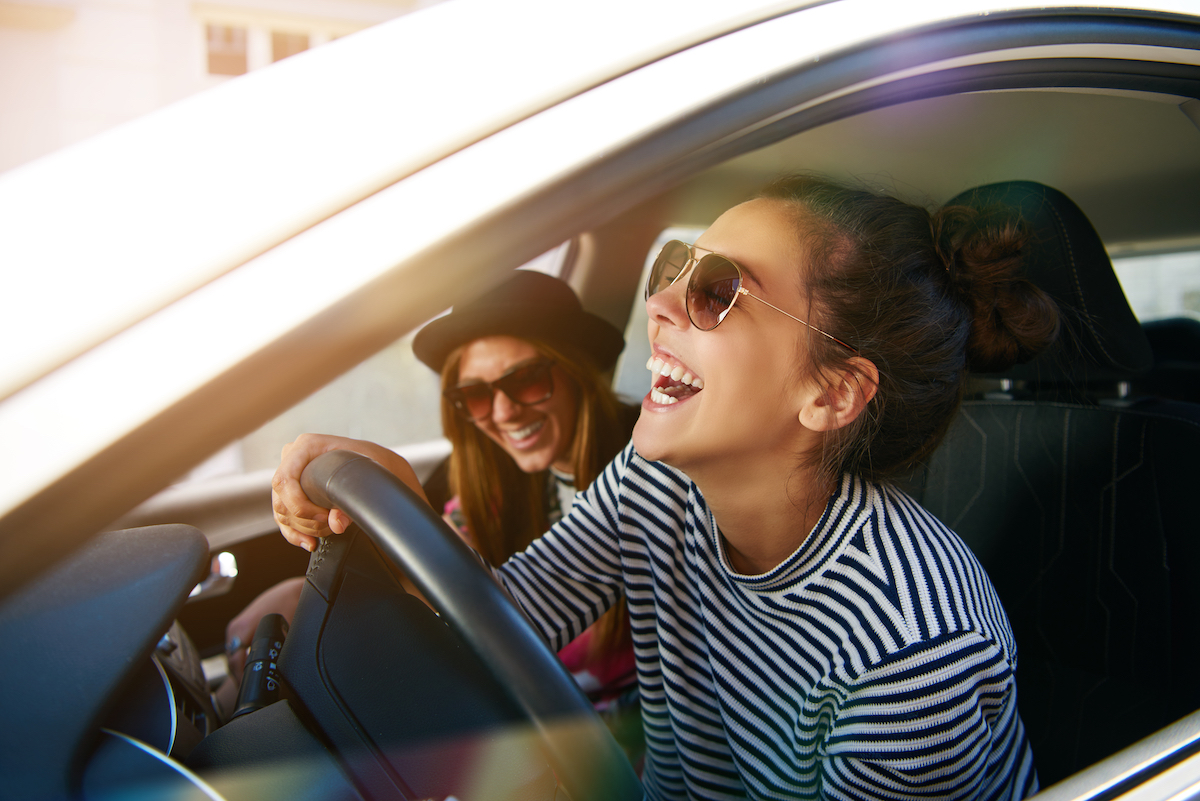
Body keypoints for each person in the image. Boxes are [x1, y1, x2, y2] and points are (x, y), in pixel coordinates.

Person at [273, 174, 1060, 801]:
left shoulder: (913, 650)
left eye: (718, 290)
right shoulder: (658, 486)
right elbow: (505, 620)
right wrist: (401, 501)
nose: (657, 304)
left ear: (832, 393)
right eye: (674, 267)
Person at [226, 272, 642, 754]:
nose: (503, 412)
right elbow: (457, 594)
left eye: (526, 379)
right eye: (477, 395)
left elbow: (510, 616)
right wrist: (303, 591)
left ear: (577, 370)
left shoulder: (642, 475)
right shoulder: (495, 476)